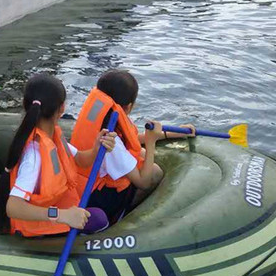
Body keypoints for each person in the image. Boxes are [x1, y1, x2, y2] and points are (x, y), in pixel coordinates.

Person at [0, 74, 116, 237]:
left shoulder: (52, 136)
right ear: (61, 109)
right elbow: (13, 207)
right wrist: (61, 215)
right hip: (39, 222)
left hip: (58, 204)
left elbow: (81, 159)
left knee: (99, 207)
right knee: (99, 219)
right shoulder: (34, 154)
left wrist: (97, 148)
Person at [71, 69, 195, 224]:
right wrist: (151, 142)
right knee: (155, 172)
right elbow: (143, 182)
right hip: (94, 199)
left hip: (81, 186)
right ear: (129, 107)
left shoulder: (99, 117)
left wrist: (169, 134)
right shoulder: (112, 142)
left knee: (141, 154)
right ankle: (121, 217)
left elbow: (131, 141)